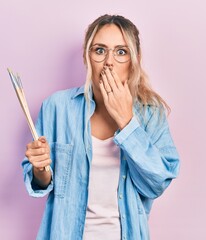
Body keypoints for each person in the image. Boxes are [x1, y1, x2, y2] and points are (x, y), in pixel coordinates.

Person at [22, 14, 180, 240]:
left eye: (121, 52)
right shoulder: (56, 107)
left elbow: (157, 183)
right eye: (100, 50)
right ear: (87, 58)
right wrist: (40, 169)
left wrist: (127, 123)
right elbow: (41, 182)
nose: (109, 62)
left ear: (134, 60)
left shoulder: (150, 113)